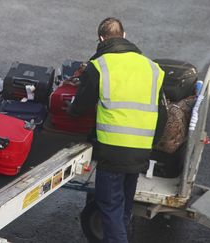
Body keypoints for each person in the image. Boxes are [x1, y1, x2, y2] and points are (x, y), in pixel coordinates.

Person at [68, 17, 164, 242]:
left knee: (110, 207)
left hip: (112, 151)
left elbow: (80, 106)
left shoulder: (100, 66)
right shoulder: (152, 68)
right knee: (123, 209)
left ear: (101, 38)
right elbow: (163, 114)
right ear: (124, 35)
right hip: (140, 151)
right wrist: (149, 143)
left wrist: (72, 110)